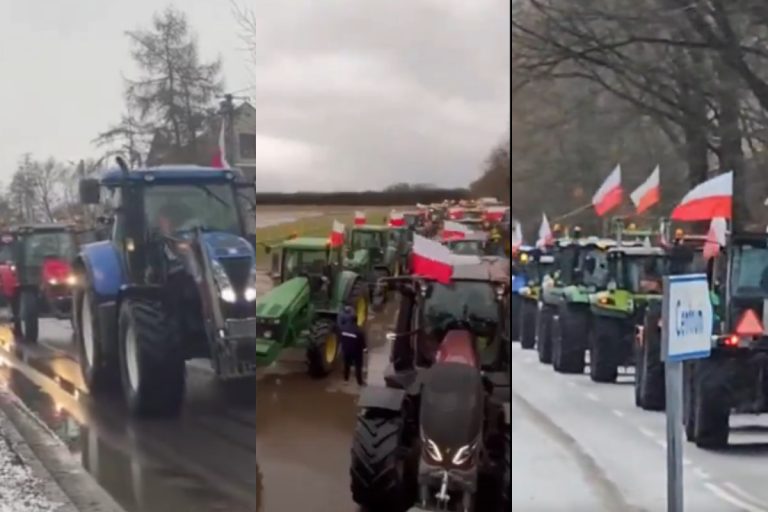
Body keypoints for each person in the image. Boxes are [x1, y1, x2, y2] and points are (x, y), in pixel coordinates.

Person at [338, 305, 367, 385]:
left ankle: (346, 380)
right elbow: (363, 343)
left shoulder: (343, 329)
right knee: (358, 366)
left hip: (346, 351)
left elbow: (341, 339)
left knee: (346, 365)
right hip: (356, 352)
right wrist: (365, 349)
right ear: (356, 320)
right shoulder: (359, 331)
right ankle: (360, 382)